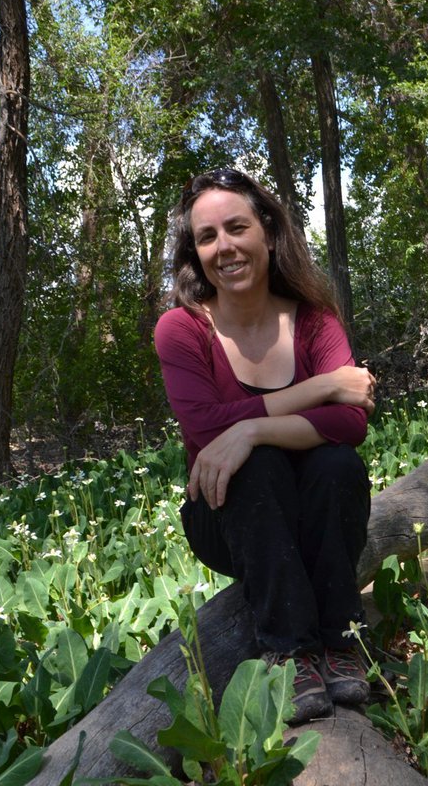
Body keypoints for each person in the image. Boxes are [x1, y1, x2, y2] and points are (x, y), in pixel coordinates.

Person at [154, 167, 376, 724]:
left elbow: (350, 425)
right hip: (229, 515)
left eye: (236, 228)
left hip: (316, 508)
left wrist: (250, 428)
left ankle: (339, 637)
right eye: (207, 237)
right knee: (257, 468)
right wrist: (321, 388)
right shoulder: (181, 330)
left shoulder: (315, 323)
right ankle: (287, 649)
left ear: (268, 233)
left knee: (335, 463)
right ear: (195, 252)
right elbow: (206, 430)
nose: (224, 247)